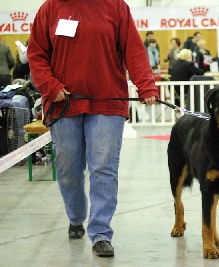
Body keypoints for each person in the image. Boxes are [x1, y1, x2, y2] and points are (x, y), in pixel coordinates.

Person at [27, 0, 158, 258]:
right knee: (68, 168)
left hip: (107, 102)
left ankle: (100, 233)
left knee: (103, 168)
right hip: (63, 104)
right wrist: (50, 86)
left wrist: (146, 85)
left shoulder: (116, 7)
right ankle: (76, 217)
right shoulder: (50, 8)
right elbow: (36, 54)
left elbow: (133, 49)